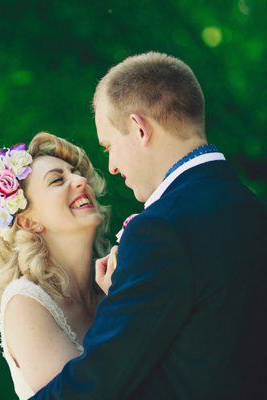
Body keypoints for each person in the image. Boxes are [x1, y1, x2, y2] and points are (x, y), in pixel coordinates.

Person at [31, 52, 267, 399]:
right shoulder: (251, 207)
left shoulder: (161, 230)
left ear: (140, 129)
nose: (110, 166)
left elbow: (100, 381)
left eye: (109, 146)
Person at [0, 132, 116, 400]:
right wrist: (119, 310)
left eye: (76, 172)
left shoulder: (113, 283)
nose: (81, 180)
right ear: (28, 223)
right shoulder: (27, 303)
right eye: (58, 180)